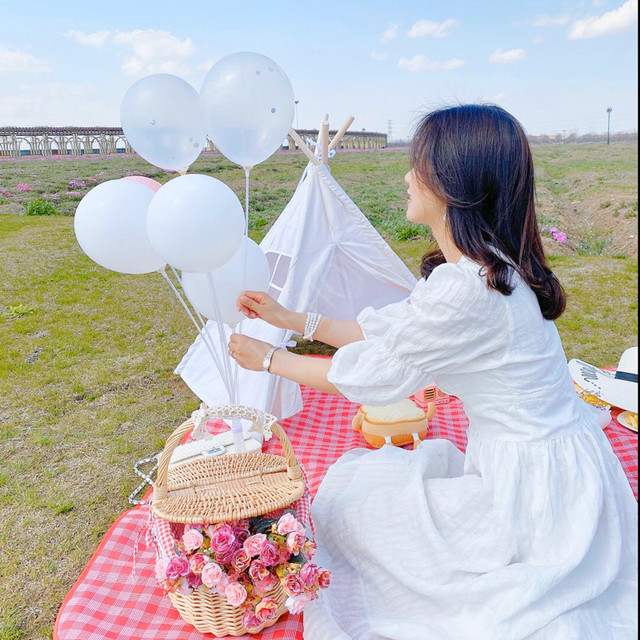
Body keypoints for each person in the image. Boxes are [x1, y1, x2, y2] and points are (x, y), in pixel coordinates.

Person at [228, 104, 638, 639]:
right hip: (558, 466)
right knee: (362, 503)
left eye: (416, 166)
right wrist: (290, 319)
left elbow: (375, 375)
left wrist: (268, 359)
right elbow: (394, 332)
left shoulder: (469, 288)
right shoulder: (484, 267)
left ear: (451, 184)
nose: (405, 177)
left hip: (538, 494)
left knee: (360, 520)